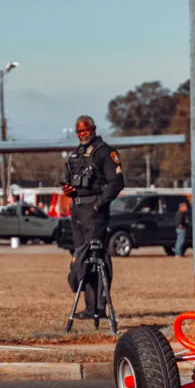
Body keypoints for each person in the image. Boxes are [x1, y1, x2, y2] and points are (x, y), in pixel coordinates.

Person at [62, 115, 124, 319]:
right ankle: (89, 307)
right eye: (79, 131)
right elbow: (71, 180)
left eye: (85, 130)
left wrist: (99, 204)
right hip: (77, 209)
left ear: (94, 129)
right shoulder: (76, 153)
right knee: (81, 259)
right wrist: (69, 190)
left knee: (96, 258)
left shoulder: (105, 151)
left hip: (94, 211)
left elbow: (116, 182)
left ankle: (99, 307)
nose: (82, 134)